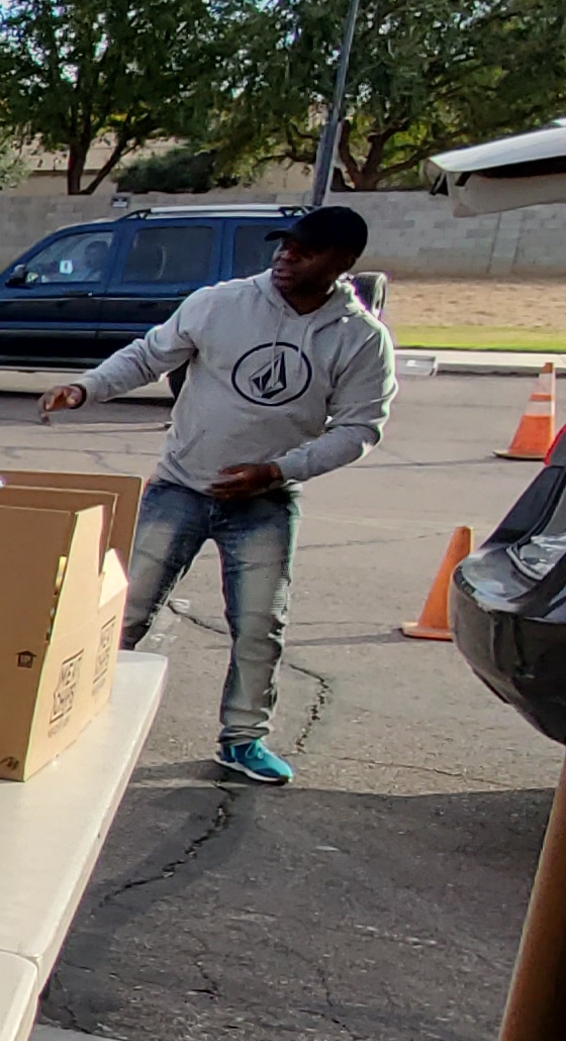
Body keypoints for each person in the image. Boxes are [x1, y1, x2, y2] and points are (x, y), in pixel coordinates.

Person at [40, 204, 393, 787]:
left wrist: (276, 471)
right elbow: (151, 355)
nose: (286, 258)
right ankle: (72, 715)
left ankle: (244, 739)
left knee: (259, 624)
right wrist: (87, 387)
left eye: (305, 252)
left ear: (343, 263)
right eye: (284, 246)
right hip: (181, 484)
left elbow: (359, 430)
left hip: (264, 502)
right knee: (121, 611)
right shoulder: (222, 303)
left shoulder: (360, 340)